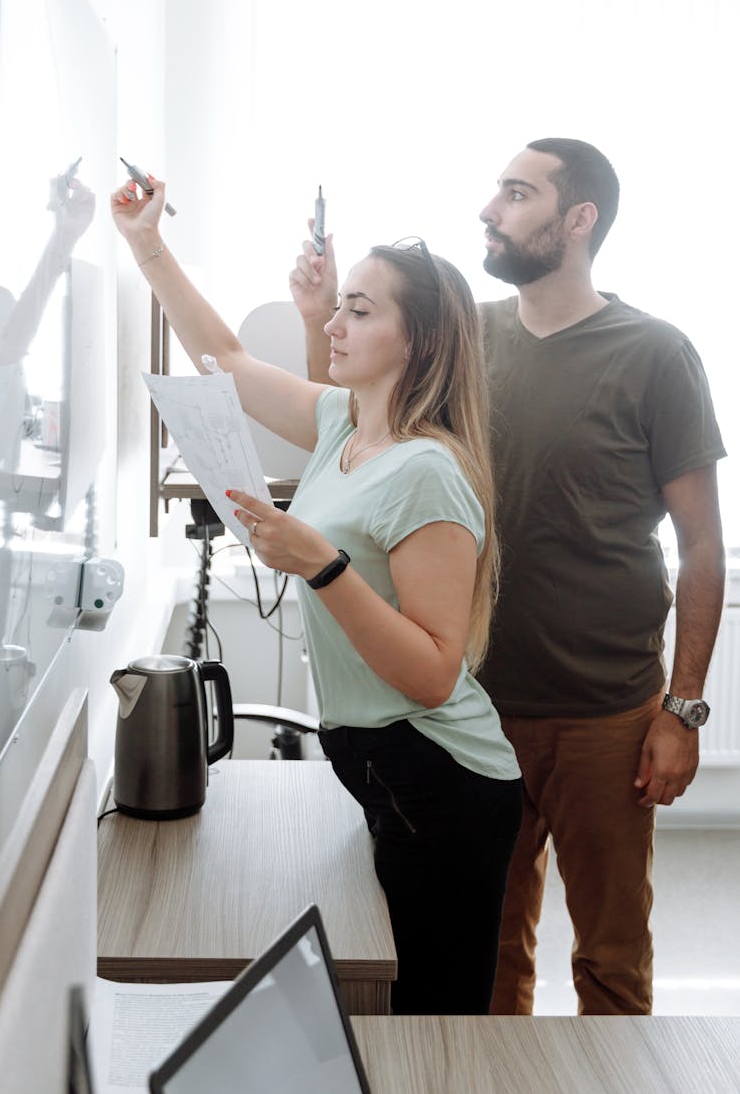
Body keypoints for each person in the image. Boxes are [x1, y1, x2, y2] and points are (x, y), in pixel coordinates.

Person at [289, 138, 726, 1017]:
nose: (489, 210)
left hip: (605, 712)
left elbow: (702, 546)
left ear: (578, 219)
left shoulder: (655, 353)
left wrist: (680, 711)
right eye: (496, 190)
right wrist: (317, 318)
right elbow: (351, 427)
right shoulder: (463, 337)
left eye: (517, 194)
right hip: (469, 715)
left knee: (610, 960)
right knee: (483, 962)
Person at [111, 174, 522, 1016]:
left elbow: (433, 674)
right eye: (339, 307)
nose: (332, 324)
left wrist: (322, 565)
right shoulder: (344, 424)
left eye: (359, 311)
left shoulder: (426, 472)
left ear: (419, 341)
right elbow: (225, 363)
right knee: (385, 1004)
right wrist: (147, 245)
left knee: (429, 1024)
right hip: (375, 757)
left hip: (438, 773)